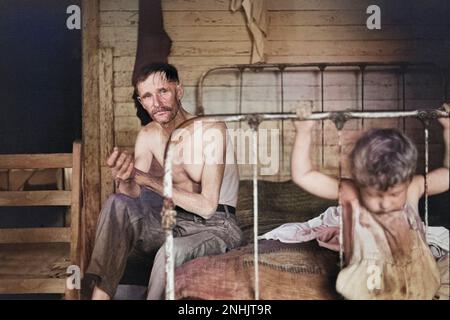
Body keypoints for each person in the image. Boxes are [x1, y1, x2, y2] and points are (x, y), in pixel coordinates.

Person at [85, 63, 243, 300]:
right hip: (173, 221)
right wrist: (125, 176)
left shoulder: (211, 130)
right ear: (141, 102)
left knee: (169, 252)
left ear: (179, 91)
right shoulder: (148, 135)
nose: (156, 103)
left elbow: (208, 206)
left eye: (163, 91)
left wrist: (146, 179)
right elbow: (132, 193)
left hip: (217, 225)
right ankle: (100, 297)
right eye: (147, 96)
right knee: (117, 202)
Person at [291, 106, 449, 299]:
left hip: (418, 280)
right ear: (360, 182)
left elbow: (448, 174)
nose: (385, 203)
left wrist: (449, 130)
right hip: (370, 286)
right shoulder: (352, 193)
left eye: (394, 195)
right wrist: (303, 132)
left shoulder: (412, 187)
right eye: (374, 195)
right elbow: (304, 176)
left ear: (406, 180)